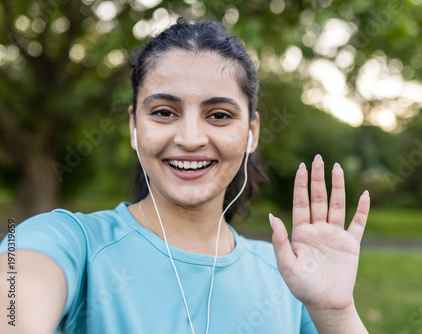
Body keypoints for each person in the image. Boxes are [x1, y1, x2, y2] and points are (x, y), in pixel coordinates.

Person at [0, 18, 370, 334]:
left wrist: (336, 314)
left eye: (219, 115)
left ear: (251, 133)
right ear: (133, 126)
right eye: (163, 112)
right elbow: (16, 295)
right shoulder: (67, 242)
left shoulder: (292, 276)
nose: (190, 139)